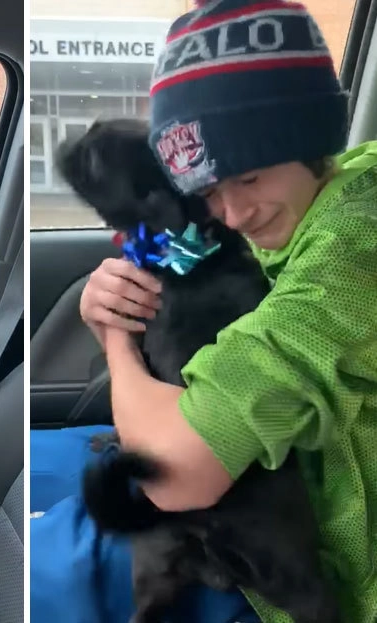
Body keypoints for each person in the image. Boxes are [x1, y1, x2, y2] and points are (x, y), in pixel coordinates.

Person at [79, 1, 377, 621]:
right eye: (211, 191)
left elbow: (176, 472)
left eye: (251, 177)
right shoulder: (323, 198)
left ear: (311, 142)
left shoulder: (354, 255)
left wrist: (116, 340)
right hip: (281, 503)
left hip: (340, 576)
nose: (235, 215)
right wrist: (115, 295)